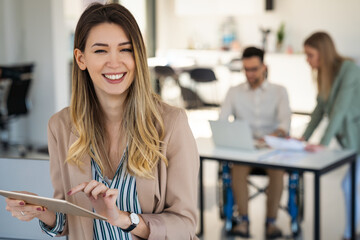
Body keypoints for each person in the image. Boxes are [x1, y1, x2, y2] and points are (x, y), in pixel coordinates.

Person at [4, 3, 199, 240]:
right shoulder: (60, 126)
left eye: (125, 49)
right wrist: (40, 211)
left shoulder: (171, 124)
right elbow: (70, 220)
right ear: (81, 58)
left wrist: (122, 219)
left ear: (137, 56)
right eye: (100, 51)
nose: (114, 62)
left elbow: (185, 225)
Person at [219, 46, 291, 238]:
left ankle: (271, 222)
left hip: (271, 149)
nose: (250, 74)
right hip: (245, 149)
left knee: (277, 172)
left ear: (264, 67)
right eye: (246, 69)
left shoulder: (279, 91)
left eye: (254, 69)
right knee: (237, 170)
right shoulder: (234, 92)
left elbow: (285, 124)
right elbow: (222, 121)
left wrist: (272, 137)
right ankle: (243, 221)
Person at [302, 31, 360, 240]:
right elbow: (320, 109)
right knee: (351, 184)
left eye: (310, 55)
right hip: (351, 141)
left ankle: (349, 234)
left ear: (322, 53)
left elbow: (340, 109)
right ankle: (351, 232)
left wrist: (323, 143)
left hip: (357, 137)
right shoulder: (325, 74)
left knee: (348, 184)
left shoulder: (349, 70)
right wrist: (304, 138)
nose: (307, 60)